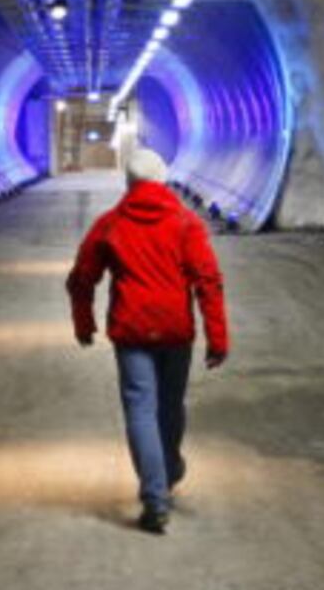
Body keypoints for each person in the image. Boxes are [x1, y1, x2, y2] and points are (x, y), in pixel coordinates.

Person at [66, 148, 228, 534]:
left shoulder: (110, 224)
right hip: (175, 331)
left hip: (132, 331)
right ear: (163, 180)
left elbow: (81, 278)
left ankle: (156, 496)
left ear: (129, 183)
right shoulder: (187, 223)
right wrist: (217, 336)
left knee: (141, 409)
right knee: (169, 406)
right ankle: (167, 471)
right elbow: (208, 281)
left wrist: (83, 322)